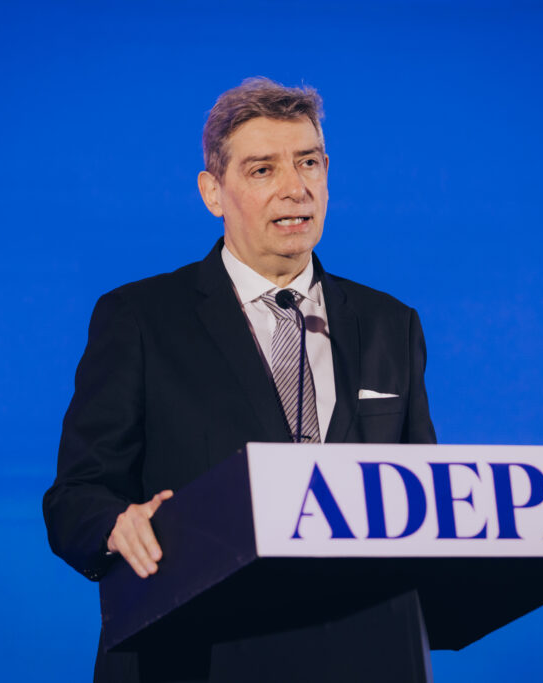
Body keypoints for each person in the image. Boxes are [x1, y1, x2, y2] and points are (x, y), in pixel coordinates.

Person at [43, 77, 436, 683]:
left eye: (309, 162)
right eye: (262, 170)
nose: (295, 187)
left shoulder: (391, 323)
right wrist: (116, 525)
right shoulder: (141, 319)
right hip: (195, 658)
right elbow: (76, 497)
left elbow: (420, 498)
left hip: (365, 656)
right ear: (213, 192)